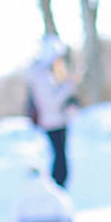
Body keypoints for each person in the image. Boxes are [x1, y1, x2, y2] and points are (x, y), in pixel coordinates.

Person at [25, 36, 81, 189]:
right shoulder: (42, 75)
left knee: (60, 158)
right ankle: (56, 191)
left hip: (57, 120)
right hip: (53, 121)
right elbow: (52, 101)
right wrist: (69, 86)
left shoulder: (48, 73)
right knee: (59, 160)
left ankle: (57, 190)